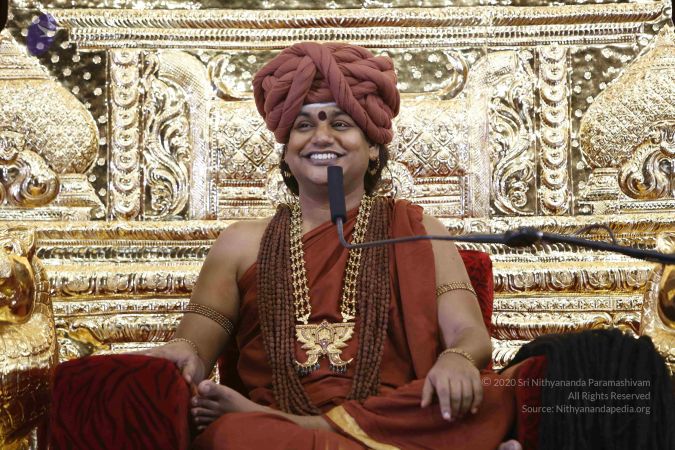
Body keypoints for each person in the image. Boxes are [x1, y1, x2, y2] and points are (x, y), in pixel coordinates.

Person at [143, 42, 522, 450]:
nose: (321, 137)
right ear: (287, 155)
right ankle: (296, 425)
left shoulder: (417, 230)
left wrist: (457, 360)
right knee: (232, 436)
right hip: (280, 439)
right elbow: (196, 346)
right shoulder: (240, 243)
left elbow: (469, 333)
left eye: (340, 124)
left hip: (385, 415)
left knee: (495, 395)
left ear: (373, 147)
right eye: (303, 126)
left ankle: (306, 426)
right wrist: (184, 351)